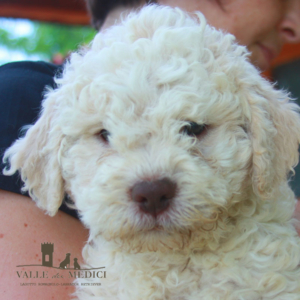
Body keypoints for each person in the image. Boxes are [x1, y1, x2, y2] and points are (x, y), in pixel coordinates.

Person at [0, 1, 300, 299]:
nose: (152, 181)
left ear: (260, 133)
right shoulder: (18, 95)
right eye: (106, 135)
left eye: (193, 129)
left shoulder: (226, 76)